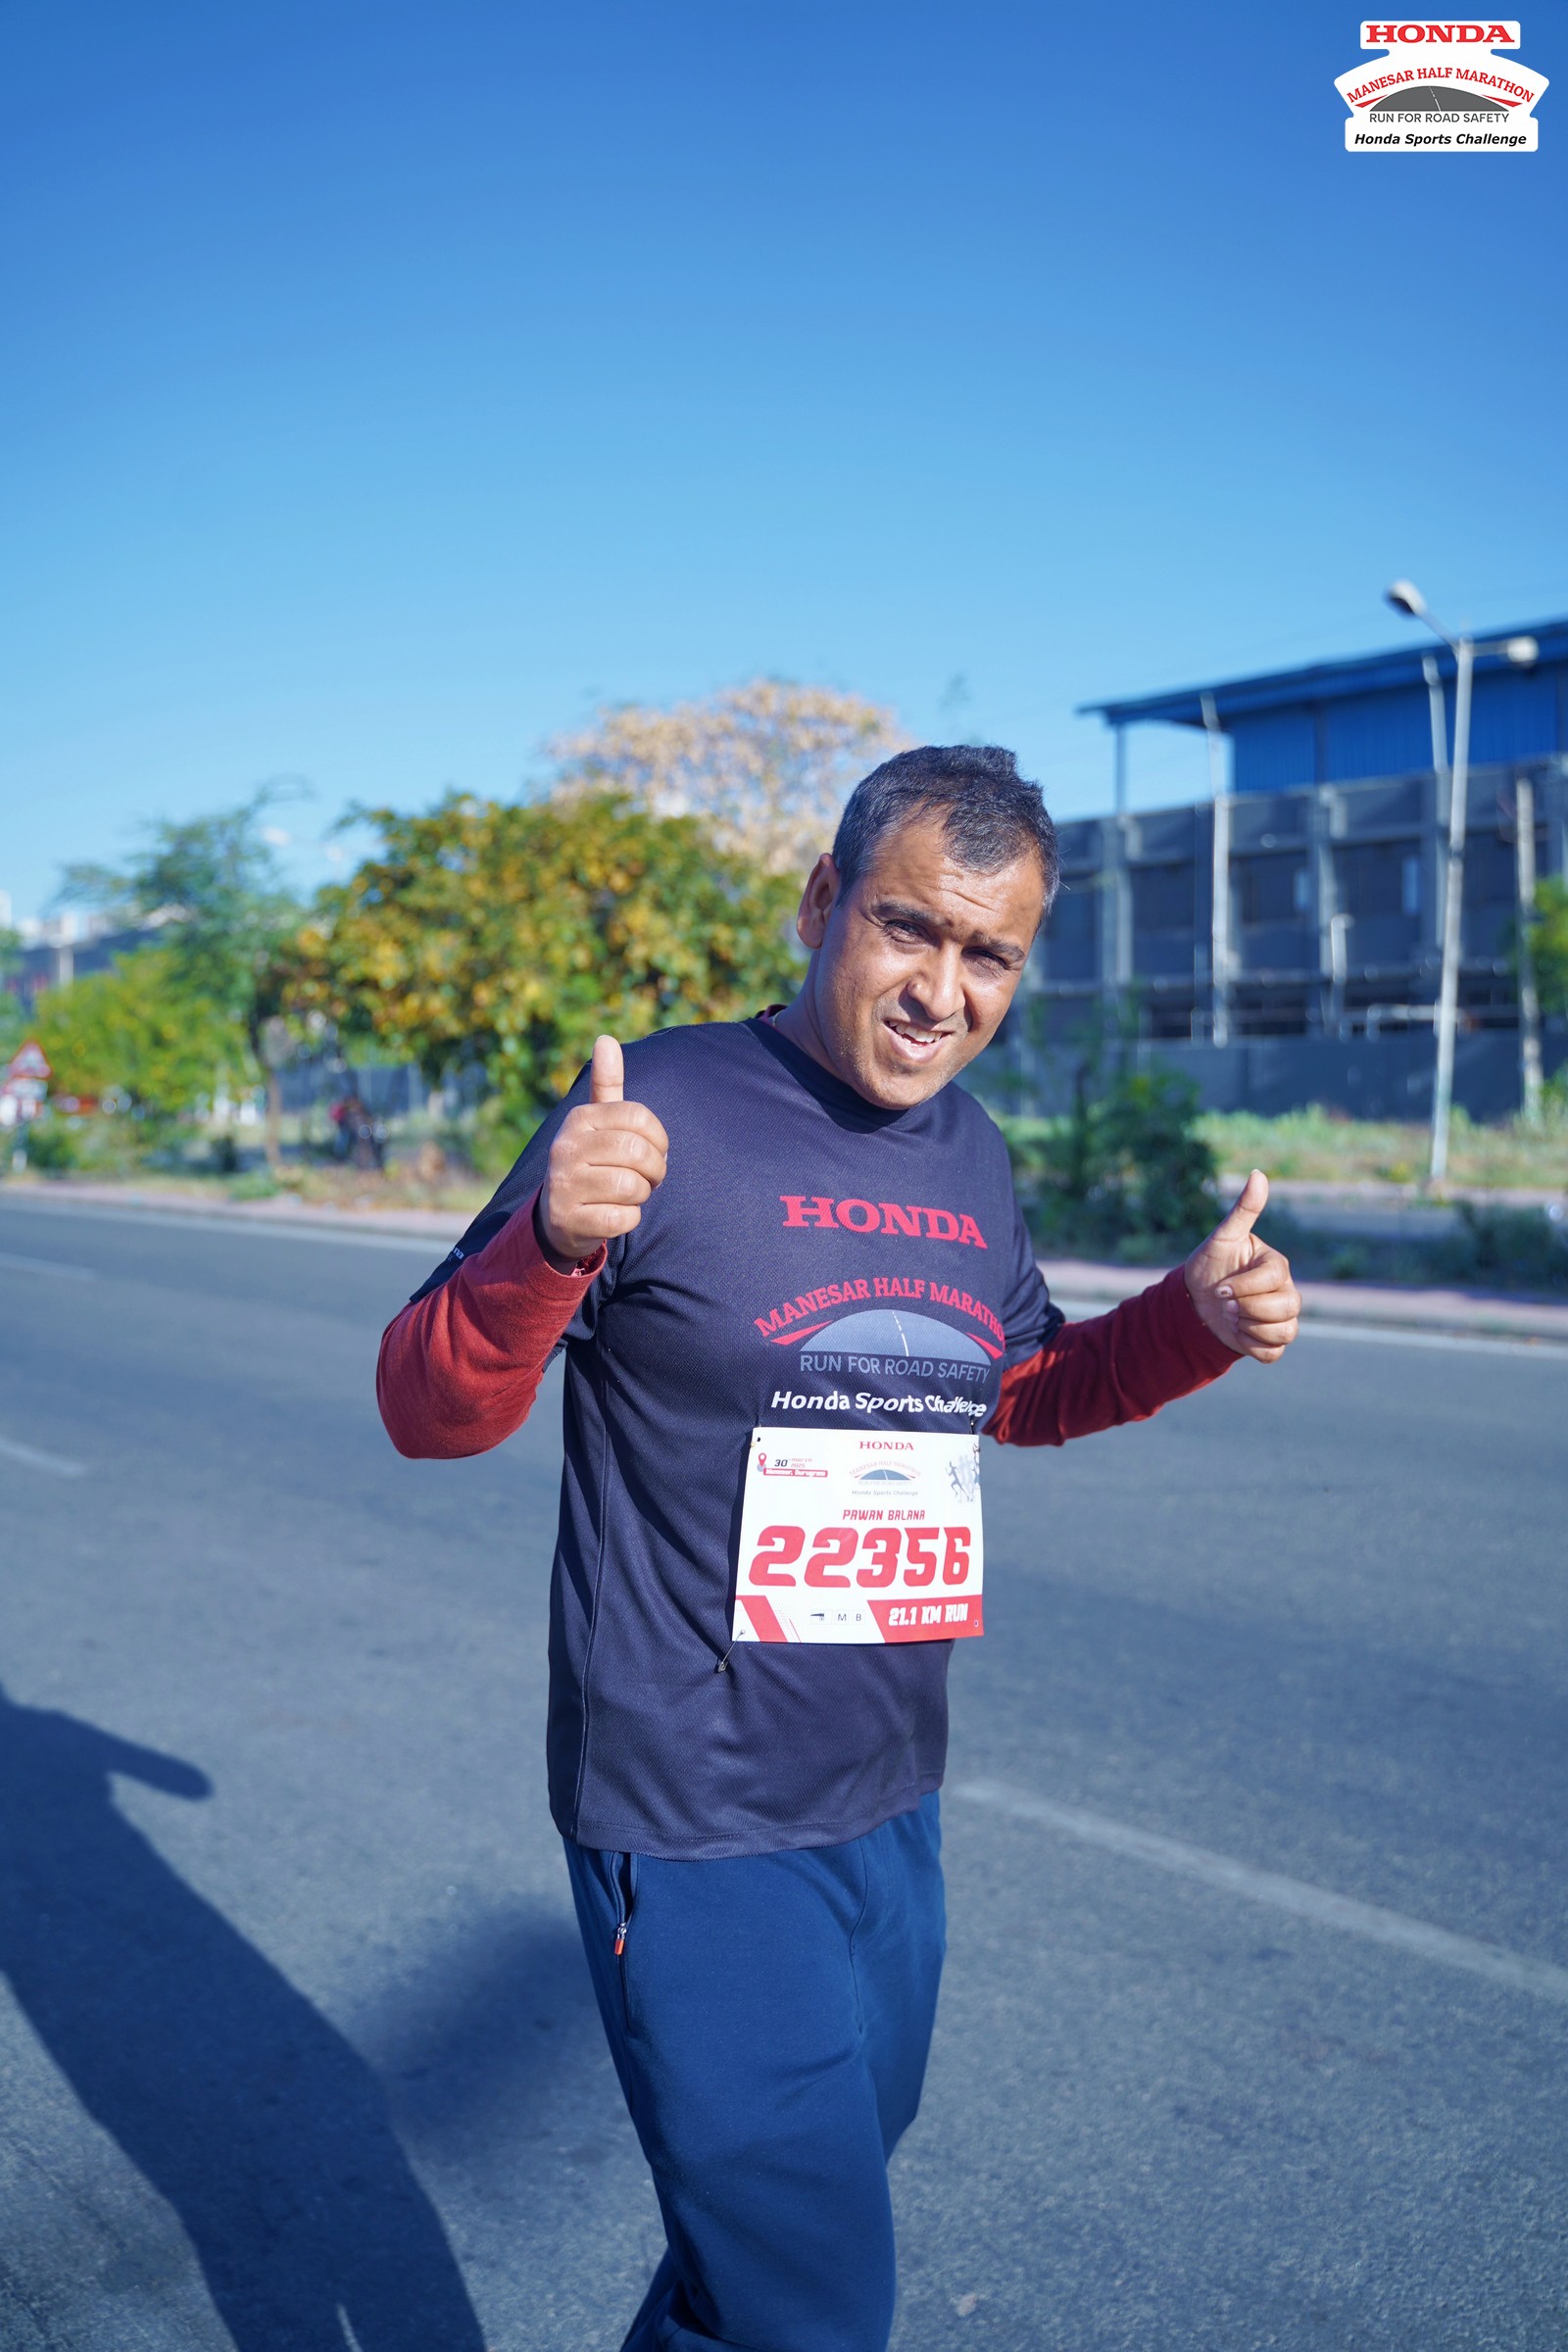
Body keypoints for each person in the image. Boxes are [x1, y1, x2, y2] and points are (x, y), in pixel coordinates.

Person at [377, 745, 1300, 2352]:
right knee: (812, 2297)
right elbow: (426, 1408)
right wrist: (551, 1240)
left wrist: (1192, 1323)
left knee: (784, 2237)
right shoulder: (653, 1113)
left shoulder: (971, 1154)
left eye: (990, 953)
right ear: (824, 904)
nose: (943, 991)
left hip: (887, 1801)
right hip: (693, 1819)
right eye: (909, 928)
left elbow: (1015, 1390)